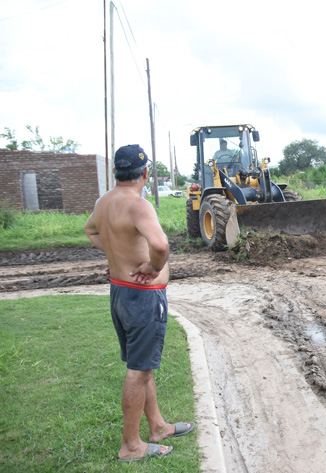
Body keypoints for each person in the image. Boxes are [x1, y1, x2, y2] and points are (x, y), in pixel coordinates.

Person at [84, 144, 195, 461]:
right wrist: (154, 267)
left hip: (120, 293)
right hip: (143, 297)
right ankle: (131, 446)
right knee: (139, 371)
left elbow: (90, 229)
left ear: (116, 172)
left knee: (142, 367)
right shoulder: (138, 204)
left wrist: (114, 253)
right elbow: (160, 245)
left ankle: (157, 426)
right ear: (146, 173)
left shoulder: (104, 201)